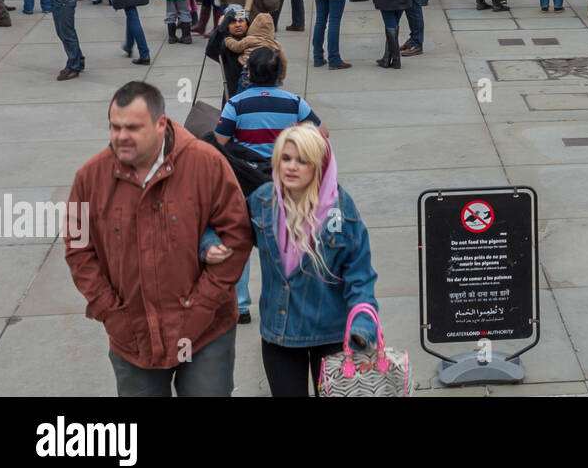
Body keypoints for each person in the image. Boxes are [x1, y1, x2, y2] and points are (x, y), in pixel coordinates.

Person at [65, 81, 252, 396]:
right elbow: (78, 250)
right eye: (115, 127)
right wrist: (111, 312)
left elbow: (237, 235)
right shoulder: (89, 178)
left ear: (160, 124)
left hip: (205, 332)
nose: (121, 136)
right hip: (133, 339)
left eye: (133, 127)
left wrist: (201, 307)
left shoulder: (206, 164)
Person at [237, 124, 378, 397]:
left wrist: (362, 324)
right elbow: (225, 229)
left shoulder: (341, 209)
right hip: (280, 336)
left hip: (332, 336)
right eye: (286, 158)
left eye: (302, 161)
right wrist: (210, 246)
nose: (291, 167)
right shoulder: (263, 201)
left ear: (318, 166)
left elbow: (360, 276)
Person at [212, 47, 323, 324]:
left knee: (239, 238)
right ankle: (290, 299)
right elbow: (321, 134)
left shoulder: (235, 104)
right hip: (283, 181)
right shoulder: (294, 103)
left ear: (248, 74)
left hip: (245, 182)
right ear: (279, 74)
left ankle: (241, 305)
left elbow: (221, 141)